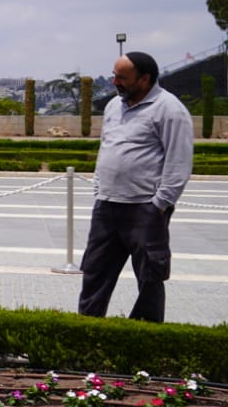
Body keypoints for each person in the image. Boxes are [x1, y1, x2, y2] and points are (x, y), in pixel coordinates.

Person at [78, 51, 194, 322]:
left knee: (150, 276)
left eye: (122, 77)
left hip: (145, 208)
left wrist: (159, 204)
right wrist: (99, 189)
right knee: (95, 272)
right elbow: (107, 148)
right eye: (114, 75)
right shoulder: (113, 106)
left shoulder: (170, 109)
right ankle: (86, 329)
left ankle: (145, 334)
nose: (114, 82)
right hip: (107, 204)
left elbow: (179, 161)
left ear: (144, 79)